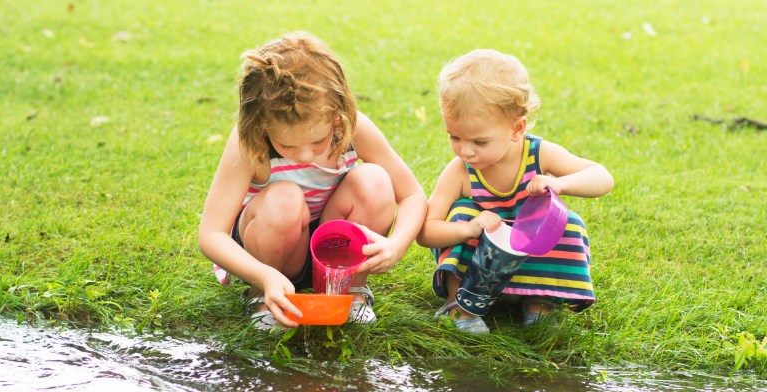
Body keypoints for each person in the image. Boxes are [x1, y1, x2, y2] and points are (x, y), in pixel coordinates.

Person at [199, 32, 426, 330]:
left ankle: (350, 291)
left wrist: (396, 245)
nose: (305, 155)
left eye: (318, 141)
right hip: (273, 252)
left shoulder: (352, 127)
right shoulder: (249, 142)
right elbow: (211, 234)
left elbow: (411, 195)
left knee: (374, 180)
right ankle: (263, 296)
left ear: (337, 115)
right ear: (261, 125)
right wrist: (263, 275)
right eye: (288, 147)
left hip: (332, 250)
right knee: (285, 199)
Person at [417, 49, 614, 334]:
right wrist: (470, 228)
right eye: (454, 136)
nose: (465, 150)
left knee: (569, 223)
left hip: (529, 263)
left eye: (479, 141)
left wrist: (559, 184)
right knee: (459, 213)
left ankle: (539, 301)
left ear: (517, 129)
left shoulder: (538, 154)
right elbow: (426, 231)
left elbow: (602, 177)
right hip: (479, 275)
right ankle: (458, 306)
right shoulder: (461, 170)